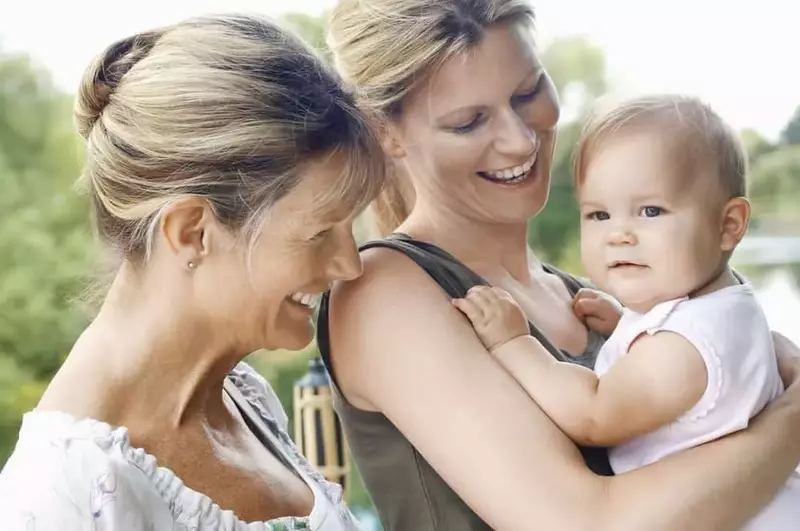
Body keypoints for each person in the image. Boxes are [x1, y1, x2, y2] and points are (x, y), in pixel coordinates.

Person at [316, 1, 800, 530]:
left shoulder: (599, 297)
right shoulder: (389, 295)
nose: (521, 140)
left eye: (528, 93)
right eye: (468, 122)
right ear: (385, 133)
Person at [0, 14, 386, 530]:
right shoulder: (60, 498)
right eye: (320, 233)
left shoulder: (243, 400)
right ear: (192, 232)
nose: (349, 263)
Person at [454, 94, 800, 530]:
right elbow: (695, 373)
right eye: (598, 214)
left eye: (650, 210)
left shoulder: (680, 351)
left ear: (728, 225)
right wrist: (627, 325)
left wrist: (514, 342)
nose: (618, 234)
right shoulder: (722, 306)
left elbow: (594, 415)